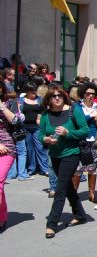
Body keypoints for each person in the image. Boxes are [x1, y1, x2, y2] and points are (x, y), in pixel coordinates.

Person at [40, 86, 90, 238]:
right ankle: (80, 214)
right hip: (55, 155)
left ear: (64, 97)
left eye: (60, 95)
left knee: (60, 188)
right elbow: (40, 133)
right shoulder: (45, 115)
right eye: (53, 96)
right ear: (48, 99)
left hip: (71, 154)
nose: (57, 98)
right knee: (67, 185)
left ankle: (52, 224)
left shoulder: (73, 111)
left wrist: (68, 133)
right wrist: (45, 139)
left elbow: (85, 130)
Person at [76, 82, 97, 202]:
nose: (90, 96)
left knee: (93, 167)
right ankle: (74, 192)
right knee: (78, 168)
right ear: (83, 94)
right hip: (81, 140)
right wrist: (92, 115)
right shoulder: (78, 107)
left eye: (93, 94)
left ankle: (91, 193)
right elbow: (79, 121)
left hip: (94, 139)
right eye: (88, 93)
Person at [19, 82, 49, 177]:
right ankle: (32, 169)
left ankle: (44, 168)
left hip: (37, 127)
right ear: (27, 92)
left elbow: (43, 110)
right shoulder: (21, 100)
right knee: (29, 149)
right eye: (32, 91)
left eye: (35, 91)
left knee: (40, 148)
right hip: (25, 127)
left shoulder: (40, 100)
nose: (34, 93)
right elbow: (19, 112)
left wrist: (39, 118)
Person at [0, 82, 17, 232]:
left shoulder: (10, 103)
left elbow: (16, 121)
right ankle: (2, 217)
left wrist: (2, 107)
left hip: (7, 149)